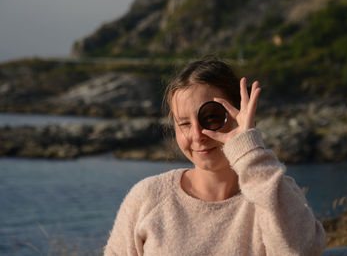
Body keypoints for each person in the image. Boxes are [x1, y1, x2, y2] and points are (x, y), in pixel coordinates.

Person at [104, 58, 326, 255]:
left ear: (241, 115)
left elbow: (301, 251)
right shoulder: (148, 197)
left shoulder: (272, 193)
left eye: (211, 118)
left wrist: (248, 148)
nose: (198, 135)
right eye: (184, 123)